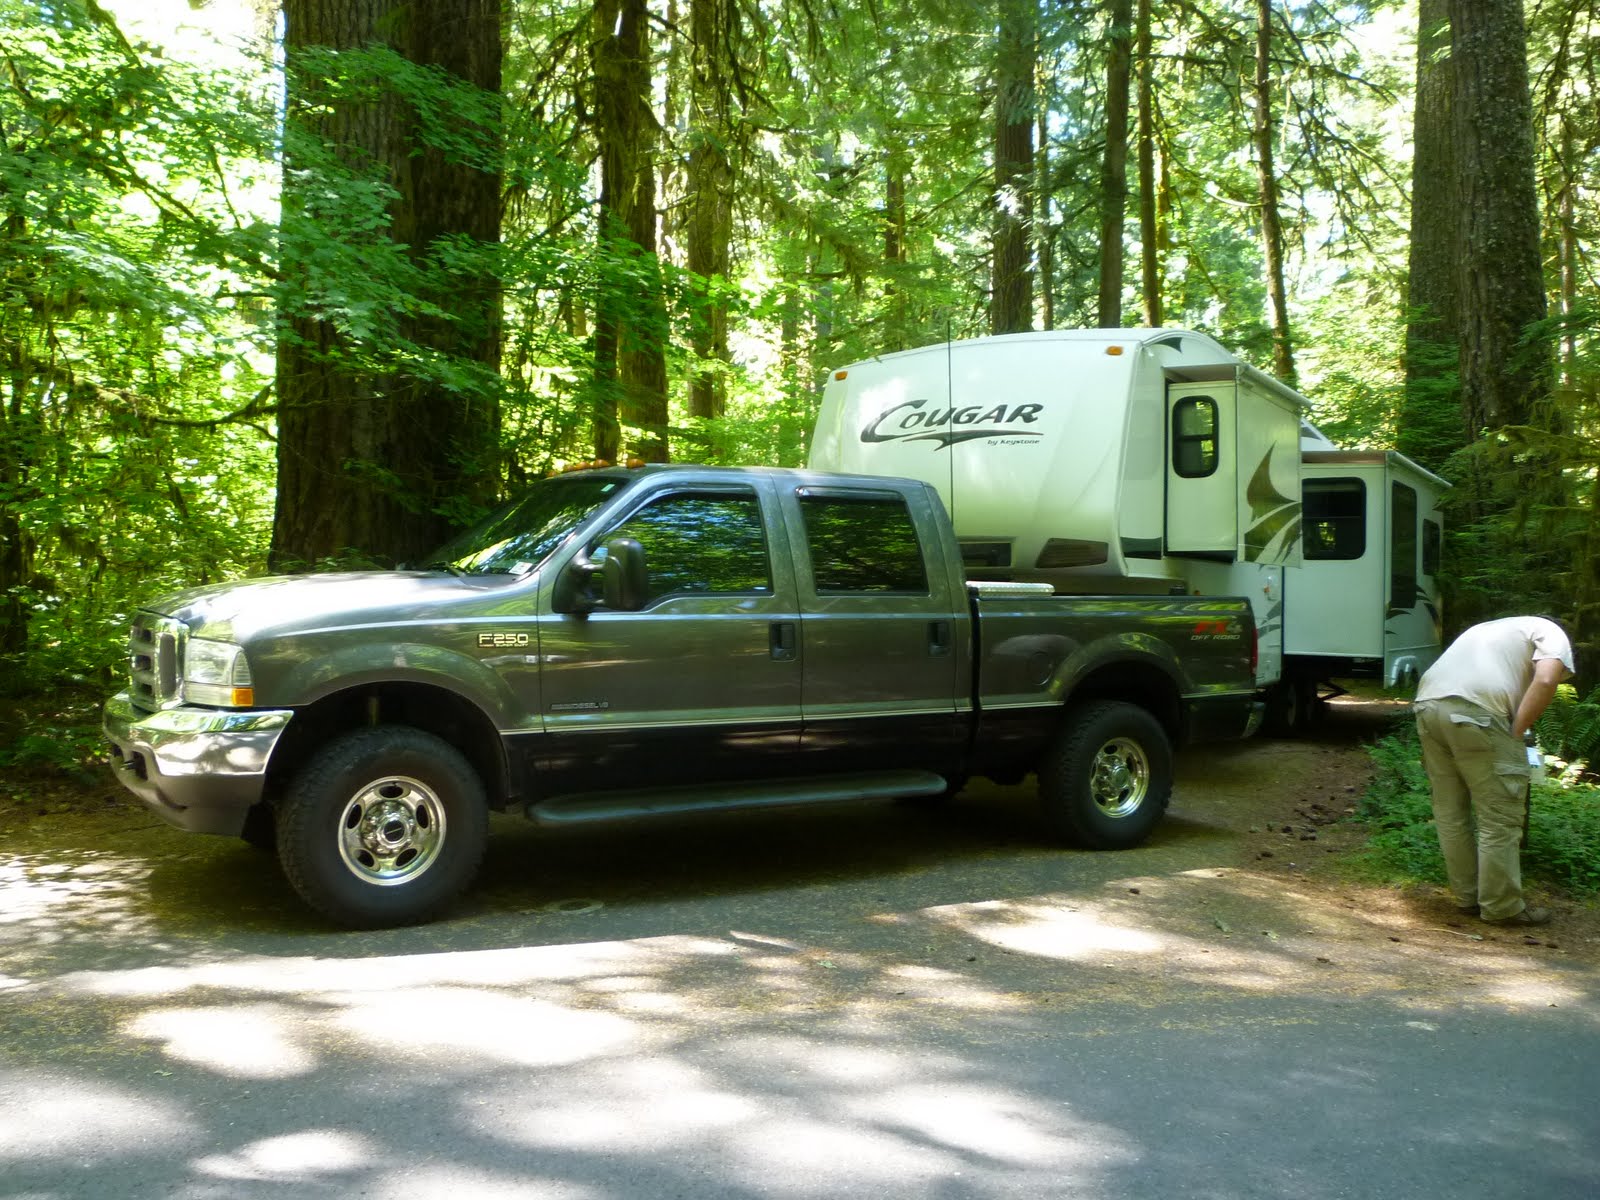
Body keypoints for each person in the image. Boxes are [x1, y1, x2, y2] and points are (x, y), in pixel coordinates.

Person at [1412, 616, 1576, 925]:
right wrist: (1517, 732)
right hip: (1479, 713)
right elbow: (1544, 680)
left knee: (1450, 812)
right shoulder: (1552, 632)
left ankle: (1467, 897)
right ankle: (1501, 907)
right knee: (1499, 817)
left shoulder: (1491, 630)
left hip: (1427, 706)